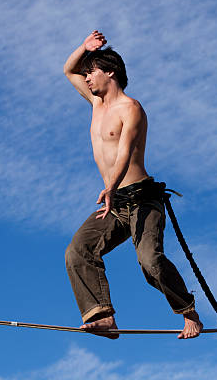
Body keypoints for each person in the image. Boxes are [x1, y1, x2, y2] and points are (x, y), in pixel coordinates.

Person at [63, 30, 203, 340]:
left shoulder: (131, 108)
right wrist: (84, 47)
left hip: (141, 199)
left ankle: (189, 312)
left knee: (150, 262)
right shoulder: (96, 104)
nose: (86, 79)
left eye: (92, 72)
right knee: (78, 251)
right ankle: (103, 317)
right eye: (86, 74)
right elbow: (68, 70)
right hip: (114, 201)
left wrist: (111, 186)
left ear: (110, 72)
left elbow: (125, 151)